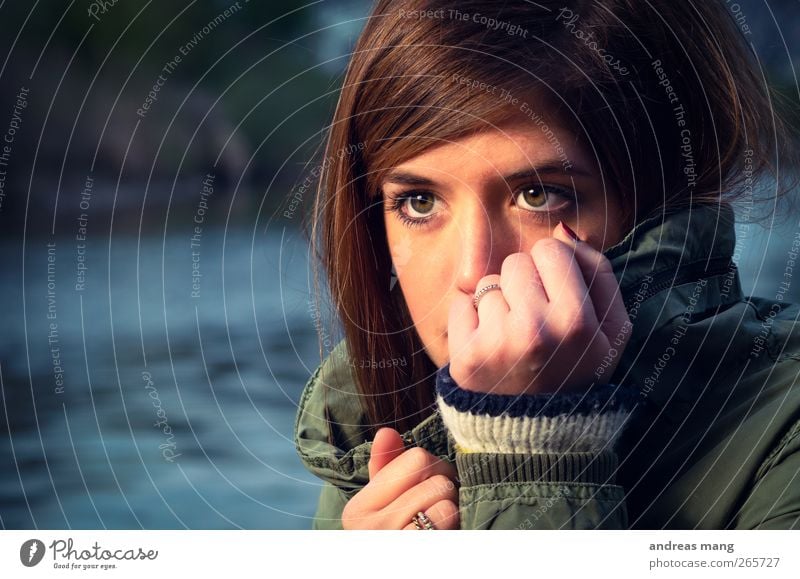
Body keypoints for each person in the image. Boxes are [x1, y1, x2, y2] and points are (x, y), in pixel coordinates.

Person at [293, 0, 800, 529]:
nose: (472, 273)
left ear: (663, 199)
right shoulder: (372, 437)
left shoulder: (785, 433)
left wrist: (531, 450)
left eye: (538, 195)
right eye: (419, 202)